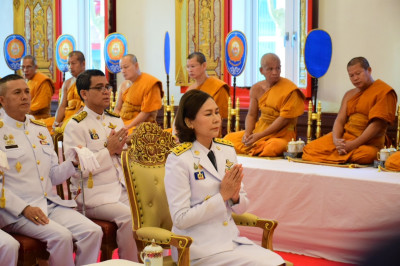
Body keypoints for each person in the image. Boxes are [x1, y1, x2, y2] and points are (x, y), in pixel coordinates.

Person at [164, 89, 285, 266]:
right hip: (196, 248)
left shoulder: (226, 151)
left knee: (277, 262)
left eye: (217, 112)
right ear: (190, 122)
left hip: (229, 242)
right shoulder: (179, 159)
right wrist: (221, 196)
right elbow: (181, 219)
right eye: (208, 114)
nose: (216, 119)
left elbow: (242, 207)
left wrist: (235, 196)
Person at [0, 74, 103, 266]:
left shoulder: (39, 130)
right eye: (17, 93)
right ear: (2, 100)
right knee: (62, 237)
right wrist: (23, 208)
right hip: (16, 211)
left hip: (48, 204)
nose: (25, 96)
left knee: (93, 231)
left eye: (26, 91)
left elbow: (53, 176)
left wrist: (73, 163)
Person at [63, 69, 138, 261]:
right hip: (93, 194)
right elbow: (79, 170)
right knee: (130, 216)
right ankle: (127, 263)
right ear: (84, 94)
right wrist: (110, 150)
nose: (106, 91)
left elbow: (122, 155)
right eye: (99, 88)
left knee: (149, 209)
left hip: (119, 188)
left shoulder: (114, 119)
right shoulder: (76, 125)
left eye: (107, 87)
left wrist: (126, 150)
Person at [302, 57, 397, 164]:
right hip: (345, 139)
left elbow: (377, 125)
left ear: (369, 70)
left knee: (366, 155)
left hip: (368, 143)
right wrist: (336, 141)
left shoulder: (384, 92)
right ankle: (341, 156)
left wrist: (353, 144)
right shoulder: (349, 94)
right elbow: (340, 120)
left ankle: (338, 157)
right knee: (309, 149)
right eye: (351, 76)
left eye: (358, 73)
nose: (355, 78)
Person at [224, 53, 305, 157]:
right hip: (259, 130)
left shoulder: (290, 90)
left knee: (271, 148)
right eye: (270, 69)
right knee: (228, 140)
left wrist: (260, 136)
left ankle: (255, 149)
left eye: (278, 68)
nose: (275, 72)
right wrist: (247, 133)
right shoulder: (257, 88)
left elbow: (284, 119)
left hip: (282, 135)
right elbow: (252, 115)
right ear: (261, 71)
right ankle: (255, 149)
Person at [114, 54, 163, 132]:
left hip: (143, 127)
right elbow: (117, 109)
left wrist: (127, 127)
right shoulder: (123, 85)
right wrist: (118, 124)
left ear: (136, 66)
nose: (123, 71)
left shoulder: (150, 83)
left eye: (126, 67)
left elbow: (146, 112)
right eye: (121, 68)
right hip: (123, 123)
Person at [186, 51, 230, 120]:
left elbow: (222, 116)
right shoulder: (190, 90)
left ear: (204, 65)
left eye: (193, 66)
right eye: (188, 67)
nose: (190, 70)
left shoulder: (218, 87)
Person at [52, 51, 86, 130]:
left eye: (73, 63)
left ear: (83, 64)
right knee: (43, 126)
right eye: (68, 64)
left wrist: (68, 122)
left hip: (80, 119)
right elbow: (62, 106)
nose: (70, 67)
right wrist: (56, 122)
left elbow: (86, 107)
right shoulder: (67, 83)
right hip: (66, 118)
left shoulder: (89, 81)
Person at [21, 55, 55, 119]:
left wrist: (20, 112)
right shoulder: (22, 80)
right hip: (24, 116)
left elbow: (40, 105)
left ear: (35, 67)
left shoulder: (43, 81)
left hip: (40, 120)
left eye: (28, 67)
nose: (25, 70)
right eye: (23, 67)